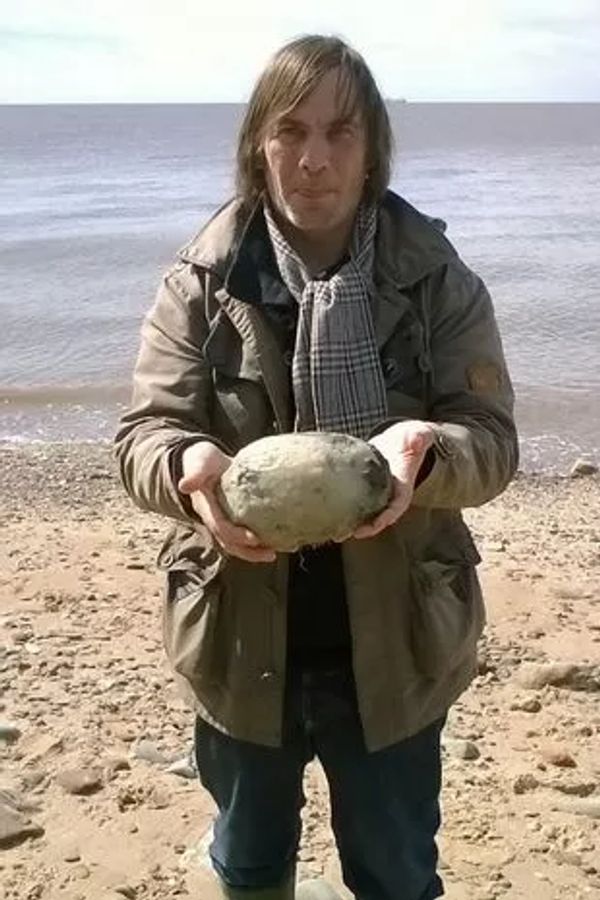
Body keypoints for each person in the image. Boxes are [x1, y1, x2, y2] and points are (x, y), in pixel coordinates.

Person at [115, 34, 518, 900]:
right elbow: (142, 436)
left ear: (372, 147)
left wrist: (428, 456)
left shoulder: (438, 281)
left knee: (397, 874)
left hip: (398, 644)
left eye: (340, 133)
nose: (314, 160)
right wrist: (189, 465)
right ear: (257, 144)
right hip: (238, 638)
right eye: (290, 130)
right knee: (251, 867)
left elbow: (492, 440)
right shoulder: (200, 283)